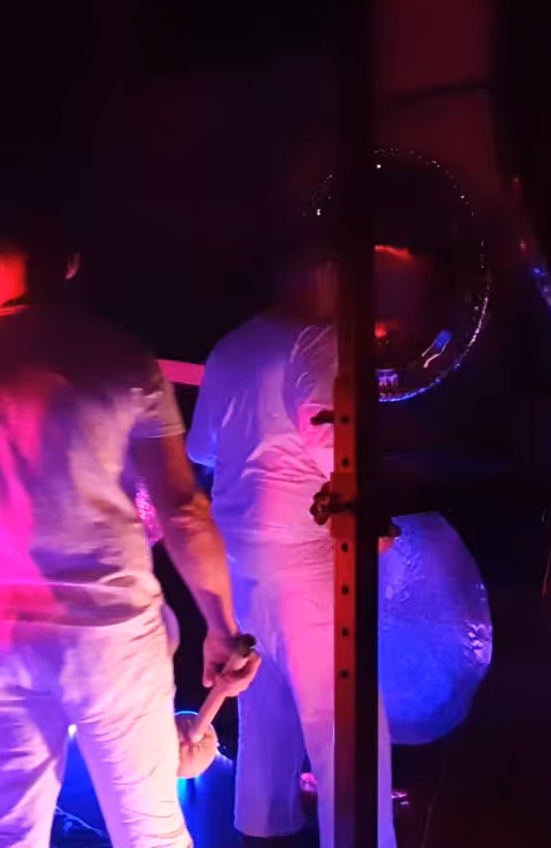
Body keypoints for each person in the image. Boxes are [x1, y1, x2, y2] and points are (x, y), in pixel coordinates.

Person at [0, 200, 258, 847]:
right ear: (71, 263)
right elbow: (181, 507)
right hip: (111, 639)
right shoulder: (123, 360)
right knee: (150, 830)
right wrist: (220, 626)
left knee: (7, 834)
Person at [185, 251, 397, 848]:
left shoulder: (232, 345)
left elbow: (202, 449)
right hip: (309, 559)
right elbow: (334, 445)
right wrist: (380, 522)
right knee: (344, 725)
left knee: (263, 707)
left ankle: (262, 829)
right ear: (326, 275)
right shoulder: (320, 340)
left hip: (238, 558)